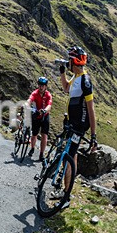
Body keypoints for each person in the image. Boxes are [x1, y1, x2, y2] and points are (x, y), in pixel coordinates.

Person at [59, 46, 98, 207]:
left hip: (79, 125)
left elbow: (91, 109)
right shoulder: (75, 77)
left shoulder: (85, 81)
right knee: (69, 155)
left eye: (69, 59)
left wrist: (93, 136)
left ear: (74, 61)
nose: (67, 61)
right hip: (71, 121)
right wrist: (62, 73)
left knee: (68, 157)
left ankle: (66, 195)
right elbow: (66, 88)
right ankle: (65, 187)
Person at [27, 76, 52, 161]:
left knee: (44, 135)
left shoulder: (48, 95)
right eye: (39, 85)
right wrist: (27, 105)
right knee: (34, 134)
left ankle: (41, 154)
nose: (41, 87)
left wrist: (45, 111)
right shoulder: (35, 93)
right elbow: (30, 100)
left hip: (45, 116)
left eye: (43, 85)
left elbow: (49, 105)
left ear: (46, 86)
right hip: (36, 115)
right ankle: (32, 148)